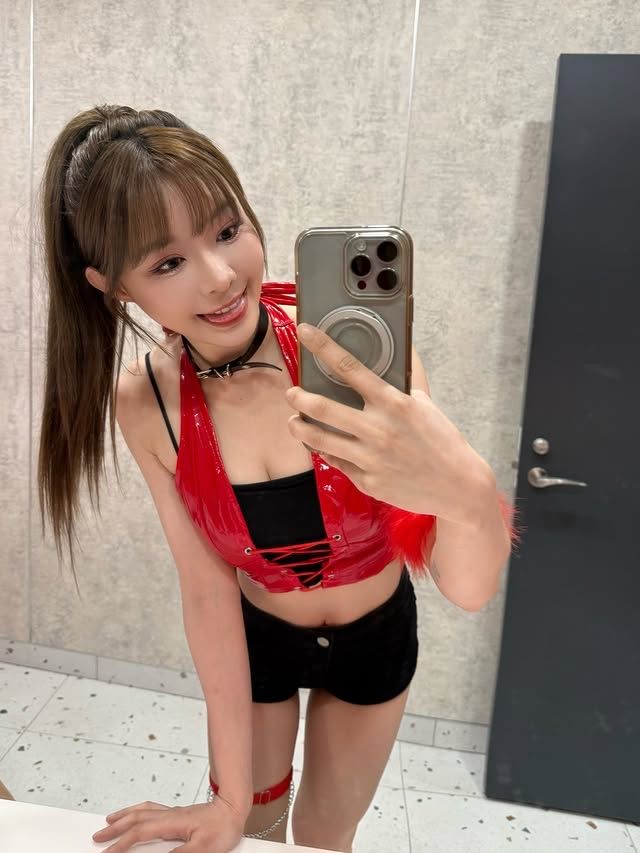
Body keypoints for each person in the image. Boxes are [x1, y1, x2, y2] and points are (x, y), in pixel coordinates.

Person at [37, 104, 516, 853]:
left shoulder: (353, 350)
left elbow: (468, 587)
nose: (221, 277)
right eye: (167, 263)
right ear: (114, 286)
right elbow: (206, 591)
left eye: (227, 230)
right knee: (252, 830)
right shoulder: (147, 403)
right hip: (257, 636)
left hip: (375, 633)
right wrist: (227, 800)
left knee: (323, 836)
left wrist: (470, 488)